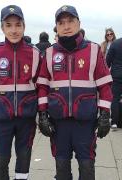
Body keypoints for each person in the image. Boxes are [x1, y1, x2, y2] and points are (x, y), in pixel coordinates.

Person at [37, 5, 112, 180]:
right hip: (58, 123)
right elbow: (42, 86)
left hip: (85, 123)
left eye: (71, 21)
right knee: (62, 168)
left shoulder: (93, 50)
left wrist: (105, 115)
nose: (67, 26)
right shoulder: (49, 53)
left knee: (87, 167)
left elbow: (105, 86)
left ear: (79, 23)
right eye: (61, 22)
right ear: (57, 27)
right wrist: (42, 115)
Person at [0, 5, 40, 180]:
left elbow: (41, 87)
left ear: (24, 26)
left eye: (18, 25)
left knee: (24, 158)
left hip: (26, 119)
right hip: (0, 118)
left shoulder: (35, 54)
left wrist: (42, 115)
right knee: (0, 161)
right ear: (2, 27)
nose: (14, 30)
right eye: (9, 25)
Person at [106, 38, 122, 129]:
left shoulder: (115, 43)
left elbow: (108, 61)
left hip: (117, 75)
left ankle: (114, 122)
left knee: (115, 98)